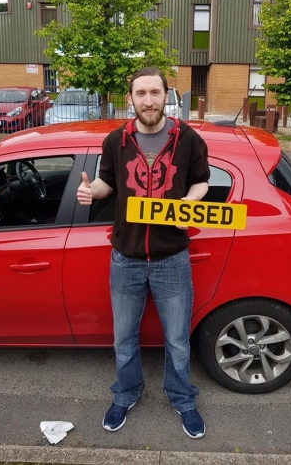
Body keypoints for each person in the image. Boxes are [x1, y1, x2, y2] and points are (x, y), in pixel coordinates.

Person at [77, 67, 210, 438]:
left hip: (172, 258)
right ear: (131, 98)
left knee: (178, 340)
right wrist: (93, 192)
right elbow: (108, 182)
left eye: (155, 92)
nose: (148, 100)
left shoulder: (188, 139)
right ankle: (126, 393)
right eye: (141, 93)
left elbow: (202, 180)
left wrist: (188, 203)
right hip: (126, 258)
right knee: (123, 338)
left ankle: (183, 399)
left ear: (166, 95)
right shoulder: (116, 141)